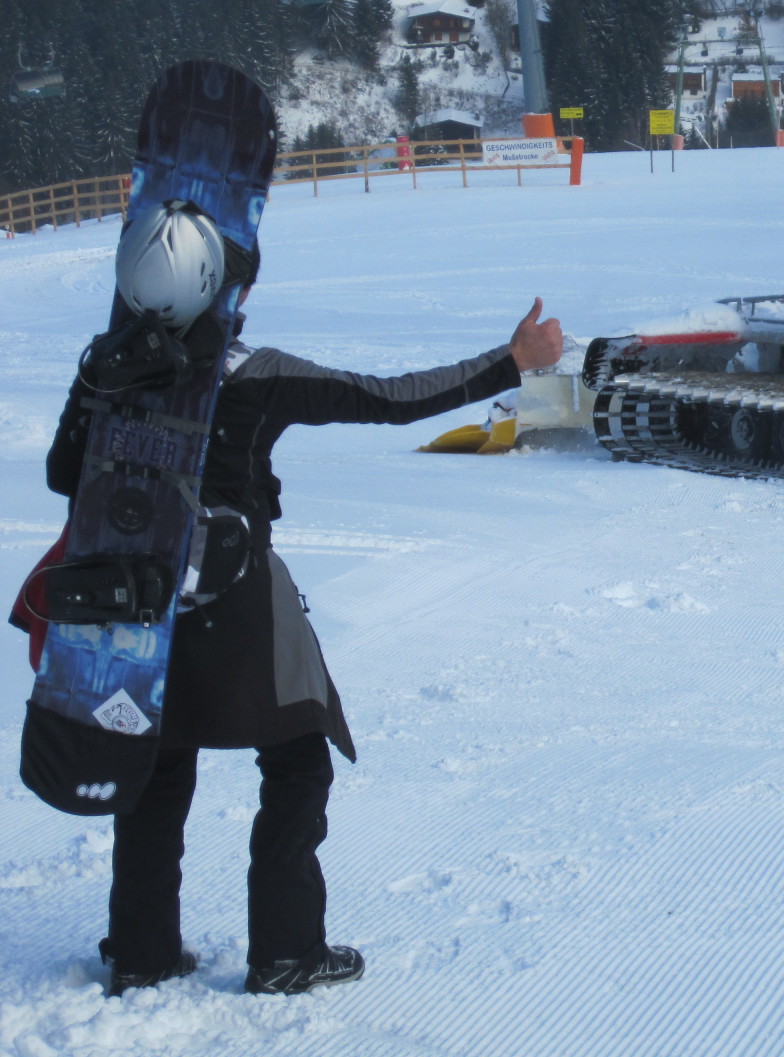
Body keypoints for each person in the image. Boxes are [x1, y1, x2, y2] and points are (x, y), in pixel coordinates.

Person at [42, 201, 564, 996]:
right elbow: (389, 398)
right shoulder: (258, 376)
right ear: (217, 293)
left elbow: (60, 476)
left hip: (137, 605)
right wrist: (510, 362)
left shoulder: (103, 368)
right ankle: (286, 951)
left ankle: (143, 954)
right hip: (239, 605)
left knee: (157, 767)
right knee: (296, 762)